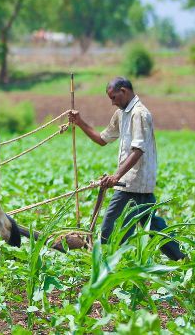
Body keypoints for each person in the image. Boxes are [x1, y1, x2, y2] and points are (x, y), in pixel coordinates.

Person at [69, 77, 185, 261]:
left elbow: (138, 150)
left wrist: (116, 176)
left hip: (133, 182)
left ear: (124, 91)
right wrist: (79, 122)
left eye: (114, 97)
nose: (112, 102)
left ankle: (108, 267)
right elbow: (102, 139)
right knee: (153, 227)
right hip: (133, 183)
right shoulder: (121, 114)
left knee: (110, 229)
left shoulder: (139, 114)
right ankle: (181, 259)